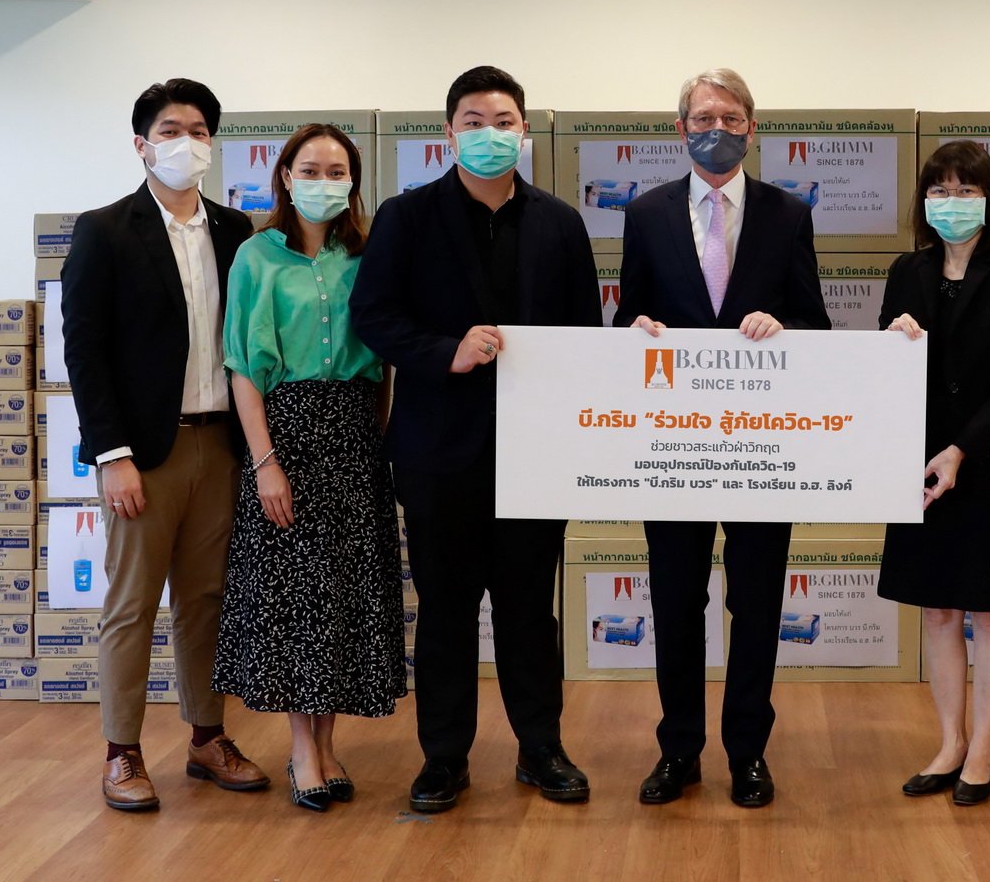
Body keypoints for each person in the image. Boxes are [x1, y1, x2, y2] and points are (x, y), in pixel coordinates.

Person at [350, 66, 601, 811]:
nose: (489, 133)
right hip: (437, 453)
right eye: (473, 121)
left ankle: (541, 748)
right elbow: (375, 316)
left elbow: (585, 335)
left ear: (524, 132)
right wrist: (444, 352)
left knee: (529, 613)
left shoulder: (561, 222)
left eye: (503, 121)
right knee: (446, 612)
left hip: (535, 456)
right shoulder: (406, 217)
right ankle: (444, 758)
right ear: (447, 133)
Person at [614, 68, 831, 809]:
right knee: (676, 603)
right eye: (704, 117)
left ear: (751, 128)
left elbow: (814, 323)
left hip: (759, 448)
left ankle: (748, 752)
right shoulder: (645, 213)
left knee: (759, 604)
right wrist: (637, 328)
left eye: (732, 118)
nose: (718, 129)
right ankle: (679, 750)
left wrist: (783, 326)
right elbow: (627, 318)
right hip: (674, 447)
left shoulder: (787, 213)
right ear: (681, 129)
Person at [61, 78, 269, 812]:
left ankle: (207, 737)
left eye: (200, 131)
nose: (188, 143)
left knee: (206, 601)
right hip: (145, 453)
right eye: (171, 130)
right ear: (142, 144)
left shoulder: (237, 231)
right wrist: (110, 453)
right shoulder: (105, 230)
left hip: (221, 445)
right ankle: (121, 752)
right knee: (133, 604)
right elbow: (84, 350)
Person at [211, 124, 406, 812]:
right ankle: (301, 750)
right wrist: (265, 462)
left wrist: (377, 437)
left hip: (354, 436)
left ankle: (328, 743)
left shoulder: (367, 254)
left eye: (338, 170)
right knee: (298, 598)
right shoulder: (256, 256)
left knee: (344, 596)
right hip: (286, 433)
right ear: (286, 178)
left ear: (354, 181)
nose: (326, 181)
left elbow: (383, 358)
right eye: (311, 169)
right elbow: (242, 367)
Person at [879, 141, 990, 807]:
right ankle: (949, 742)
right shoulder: (905, 270)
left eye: (965, 189)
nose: (952, 202)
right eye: (940, 190)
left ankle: (983, 751)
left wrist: (961, 450)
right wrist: (894, 342)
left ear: (989, 199)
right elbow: (885, 371)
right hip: (919, 464)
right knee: (939, 611)